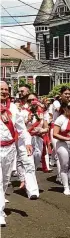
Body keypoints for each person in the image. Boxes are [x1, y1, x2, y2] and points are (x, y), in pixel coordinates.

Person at [1, 81, 32, 226]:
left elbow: (21, 128)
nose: (4, 91)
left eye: (6, 89)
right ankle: (0, 213)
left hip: (9, 149)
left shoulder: (13, 108)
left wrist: (27, 142)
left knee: (6, 180)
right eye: (1, 89)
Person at [53, 102, 70, 196]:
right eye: (69, 107)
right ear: (64, 108)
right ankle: (66, 187)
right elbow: (55, 134)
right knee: (65, 166)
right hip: (62, 143)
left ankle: (66, 181)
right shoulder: (60, 119)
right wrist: (66, 138)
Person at [50, 87, 70, 184]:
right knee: (60, 154)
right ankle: (60, 176)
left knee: (68, 154)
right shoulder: (56, 102)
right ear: (61, 94)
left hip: (67, 129)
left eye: (69, 94)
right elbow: (60, 110)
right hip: (56, 129)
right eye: (65, 93)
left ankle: (66, 175)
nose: (67, 95)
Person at [23, 93, 49, 171]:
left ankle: (31, 175)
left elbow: (47, 128)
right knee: (27, 160)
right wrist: (28, 120)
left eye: (33, 100)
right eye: (29, 100)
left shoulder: (42, 112)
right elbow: (20, 128)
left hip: (38, 138)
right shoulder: (23, 112)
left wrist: (42, 130)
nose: (32, 102)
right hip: (27, 138)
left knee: (37, 157)